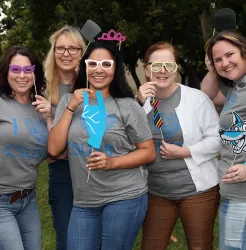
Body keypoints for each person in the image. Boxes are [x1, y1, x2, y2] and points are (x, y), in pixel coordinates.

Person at [48, 39, 156, 250]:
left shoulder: (128, 105)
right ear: (84, 66)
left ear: (115, 69)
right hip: (84, 201)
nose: (99, 70)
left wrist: (112, 162)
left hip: (124, 196)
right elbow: (54, 149)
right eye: (93, 64)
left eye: (106, 64)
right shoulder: (69, 101)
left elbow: (148, 152)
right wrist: (70, 107)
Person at [136, 41, 221, 250]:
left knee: (199, 246)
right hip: (156, 191)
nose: (162, 71)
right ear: (147, 70)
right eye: (156, 66)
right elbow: (126, 140)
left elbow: (217, 139)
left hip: (197, 190)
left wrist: (185, 151)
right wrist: (137, 104)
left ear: (176, 68)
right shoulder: (138, 102)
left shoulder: (197, 99)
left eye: (169, 65)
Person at [0, 45, 52, 250]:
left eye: (28, 70)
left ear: (35, 73)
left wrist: (49, 118)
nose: (22, 76)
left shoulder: (41, 106)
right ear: (6, 72)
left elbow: (55, 152)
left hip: (28, 199)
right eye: (15, 70)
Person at [43, 25, 86, 250]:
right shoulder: (41, 87)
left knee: (93, 235)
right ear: (53, 51)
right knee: (67, 236)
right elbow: (50, 151)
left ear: (82, 52)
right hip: (61, 172)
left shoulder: (93, 82)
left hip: (92, 168)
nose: (66, 54)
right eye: (60, 48)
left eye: (73, 48)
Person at [203, 31, 246, 250]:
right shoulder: (236, 88)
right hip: (233, 190)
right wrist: (213, 69)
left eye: (230, 55)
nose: (225, 62)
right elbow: (207, 94)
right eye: (218, 59)